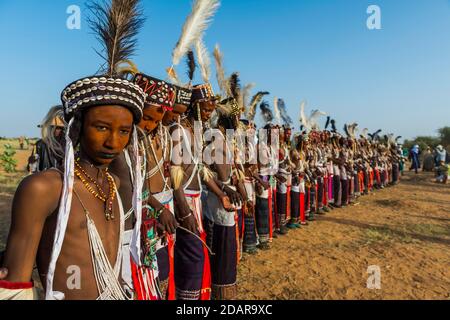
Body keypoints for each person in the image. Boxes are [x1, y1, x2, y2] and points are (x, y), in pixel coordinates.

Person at [0, 0, 147, 300]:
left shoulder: (114, 185)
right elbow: (15, 285)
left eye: (124, 131)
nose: (113, 143)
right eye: (102, 127)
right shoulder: (44, 188)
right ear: (76, 127)